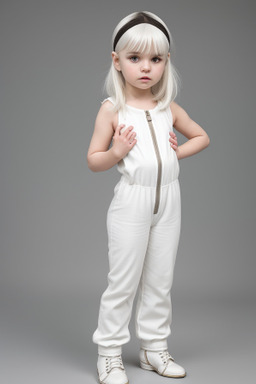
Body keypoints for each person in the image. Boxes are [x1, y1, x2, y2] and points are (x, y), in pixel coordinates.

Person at [87, 11, 210, 384]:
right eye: (135, 58)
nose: (146, 68)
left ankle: (153, 348)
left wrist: (177, 153)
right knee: (123, 281)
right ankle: (109, 355)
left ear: (166, 62)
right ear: (117, 61)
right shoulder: (112, 109)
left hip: (169, 201)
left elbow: (202, 137)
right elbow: (94, 160)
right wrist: (117, 151)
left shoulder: (168, 107)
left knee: (160, 279)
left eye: (155, 59)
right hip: (131, 203)